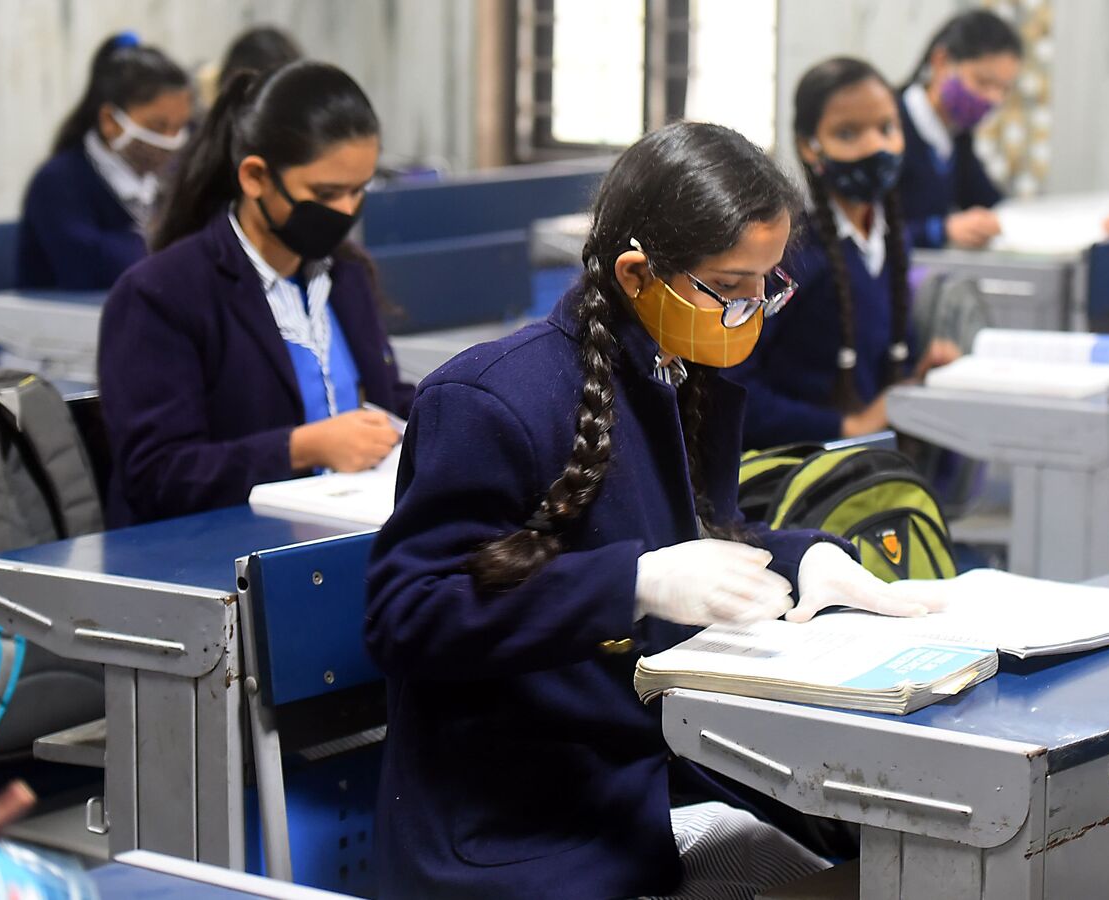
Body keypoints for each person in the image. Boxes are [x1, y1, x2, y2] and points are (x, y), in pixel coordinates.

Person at [365, 120, 946, 898]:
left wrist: (801, 557)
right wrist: (634, 583)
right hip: (515, 828)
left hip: (639, 782)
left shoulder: (675, 372)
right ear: (637, 274)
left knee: (871, 866)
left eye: (766, 286)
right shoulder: (489, 398)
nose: (751, 312)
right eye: (730, 288)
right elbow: (409, 615)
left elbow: (685, 542)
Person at [98, 61, 412, 527]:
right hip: (227, 549)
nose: (346, 210)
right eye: (326, 193)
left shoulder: (346, 274)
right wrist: (300, 448)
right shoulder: (161, 294)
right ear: (255, 177)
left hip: (355, 532)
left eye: (358, 190)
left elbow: (383, 399)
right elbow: (156, 474)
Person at [733, 57, 958, 448]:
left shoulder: (891, 240)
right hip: (796, 468)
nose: (875, 147)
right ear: (809, 146)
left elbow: (879, 368)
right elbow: (734, 390)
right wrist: (845, 427)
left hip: (865, 462)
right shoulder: (787, 253)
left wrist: (919, 375)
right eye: (848, 133)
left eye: (887, 128)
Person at [17, 33, 191, 290]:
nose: (170, 140)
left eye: (179, 127)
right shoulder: (58, 182)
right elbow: (91, 269)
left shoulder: (173, 175)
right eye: (158, 126)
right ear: (110, 120)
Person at [897, 10, 1022, 249]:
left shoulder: (957, 137)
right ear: (941, 61)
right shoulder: (888, 127)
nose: (993, 98)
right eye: (983, 82)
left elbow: (990, 203)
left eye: (1003, 89)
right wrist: (941, 230)